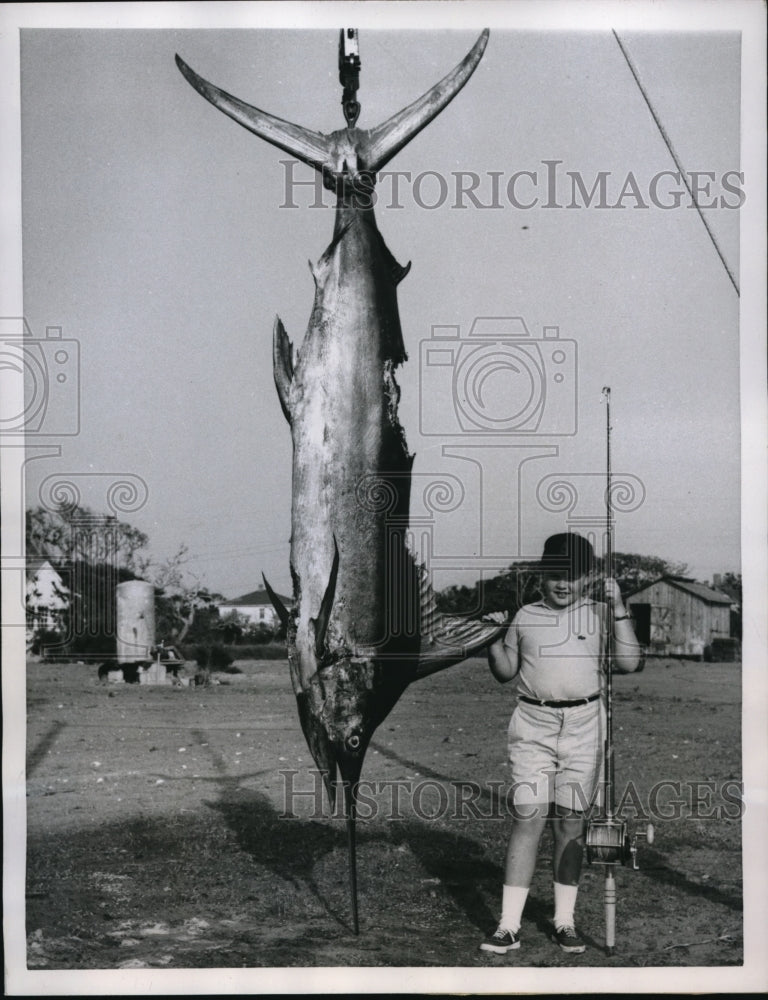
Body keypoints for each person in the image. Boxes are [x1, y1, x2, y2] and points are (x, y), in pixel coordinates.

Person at [480, 531, 641, 955]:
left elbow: (629, 662)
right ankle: (508, 926)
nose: (562, 584)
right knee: (528, 816)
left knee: (571, 823)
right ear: (541, 575)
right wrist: (491, 638)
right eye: (554, 574)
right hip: (533, 723)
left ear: (588, 577)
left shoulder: (602, 614)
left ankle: (564, 921)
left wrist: (620, 605)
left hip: (585, 724)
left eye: (572, 575)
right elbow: (504, 671)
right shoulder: (525, 616)